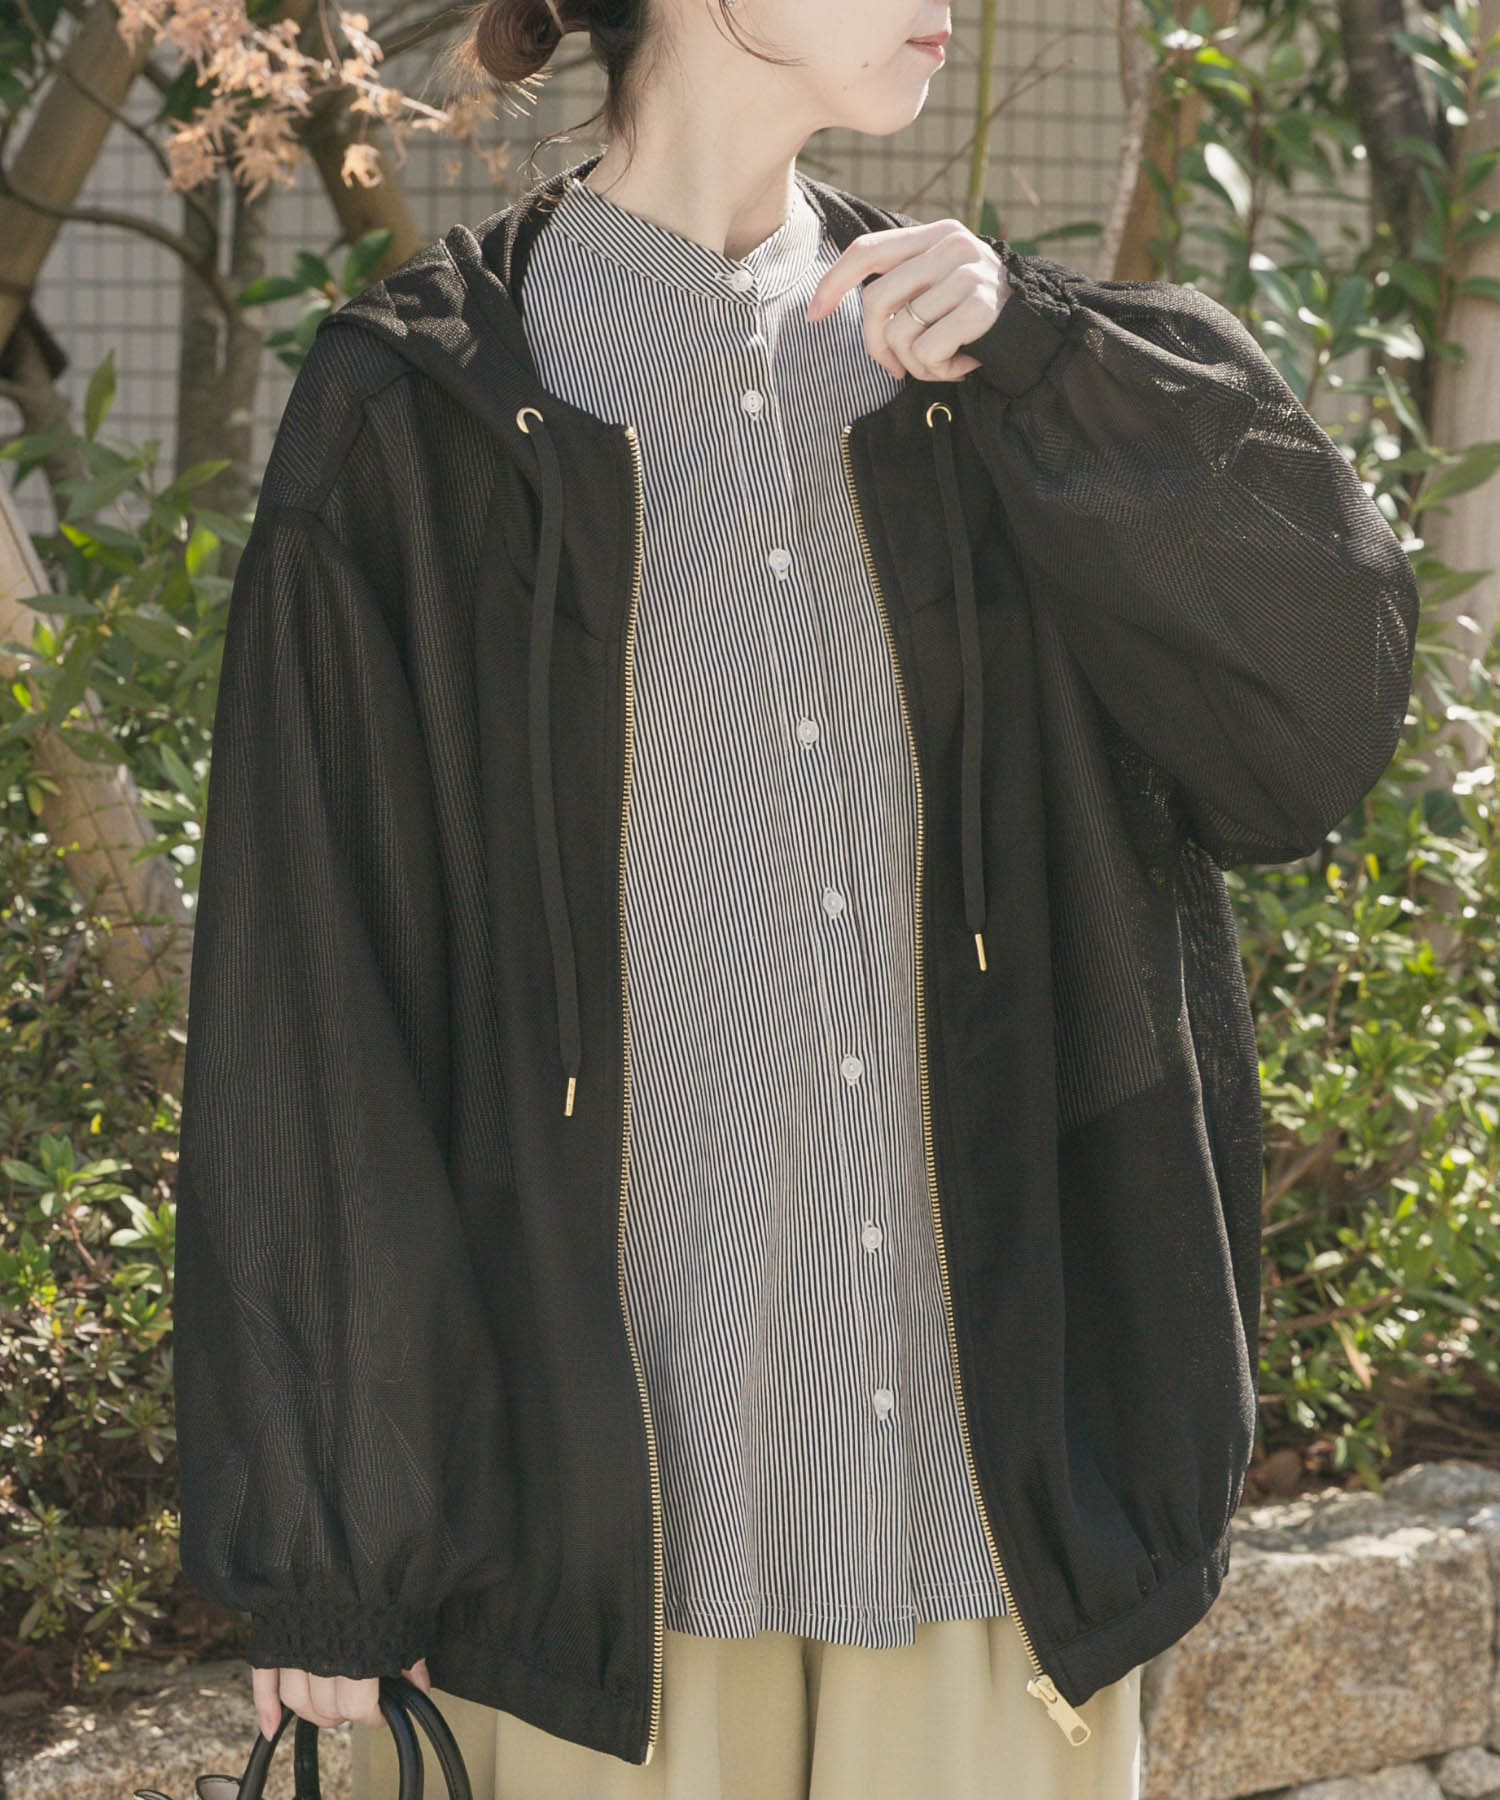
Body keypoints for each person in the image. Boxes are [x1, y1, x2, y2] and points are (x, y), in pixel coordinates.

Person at [170, 0, 1422, 1794]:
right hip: (597, 1566)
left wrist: (1056, 360)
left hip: (985, 1520)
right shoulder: (420, 409)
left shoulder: (984, 366)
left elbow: (1313, 716)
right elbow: (311, 983)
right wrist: (332, 1544)